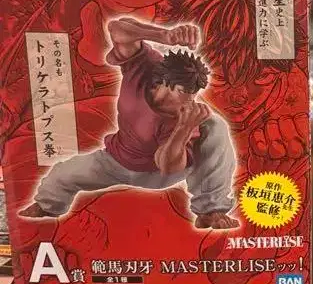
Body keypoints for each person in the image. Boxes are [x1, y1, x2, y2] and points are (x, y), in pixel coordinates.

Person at [20, 17, 239, 229]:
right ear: (165, 83)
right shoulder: (145, 67)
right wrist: (164, 35)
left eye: (194, 93)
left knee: (214, 125)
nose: (190, 100)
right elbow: (118, 29)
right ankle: (46, 207)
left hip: (158, 172)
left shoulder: (184, 117)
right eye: (184, 92)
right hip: (116, 159)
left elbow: (168, 167)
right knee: (61, 174)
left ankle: (211, 211)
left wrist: (184, 128)